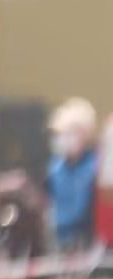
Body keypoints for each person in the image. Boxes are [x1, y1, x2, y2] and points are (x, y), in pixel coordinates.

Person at [46, 98, 100, 253]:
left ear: (85, 134)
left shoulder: (95, 166)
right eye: (60, 134)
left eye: (70, 133)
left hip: (90, 244)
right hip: (59, 243)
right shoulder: (55, 168)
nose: (63, 139)